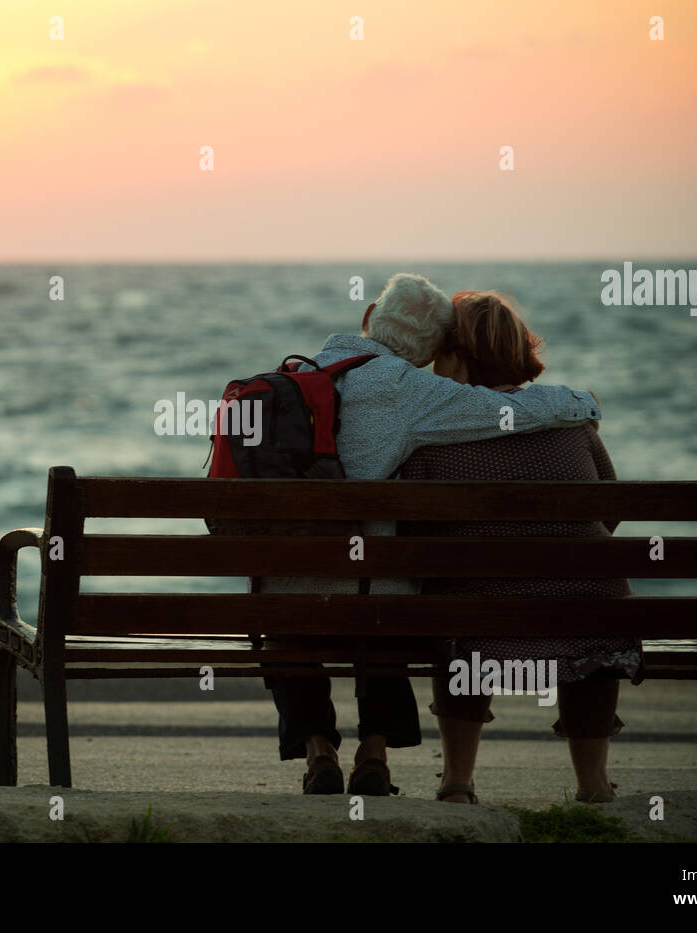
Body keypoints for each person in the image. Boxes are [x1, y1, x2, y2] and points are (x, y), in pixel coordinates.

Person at [262, 274, 603, 796]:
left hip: (281, 596)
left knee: (291, 608)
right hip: (371, 604)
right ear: (430, 351)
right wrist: (579, 403)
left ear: (370, 313)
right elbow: (505, 410)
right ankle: (373, 751)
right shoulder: (410, 389)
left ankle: (317, 749)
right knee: (390, 600)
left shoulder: (287, 379)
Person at [398, 290, 641, 805]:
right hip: (588, 614)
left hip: (477, 618)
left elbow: (411, 531)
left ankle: (458, 781)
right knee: (595, 605)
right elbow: (609, 509)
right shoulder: (570, 423)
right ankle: (593, 785)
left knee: (456, 613)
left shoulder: (436, 434)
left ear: (458, 358)